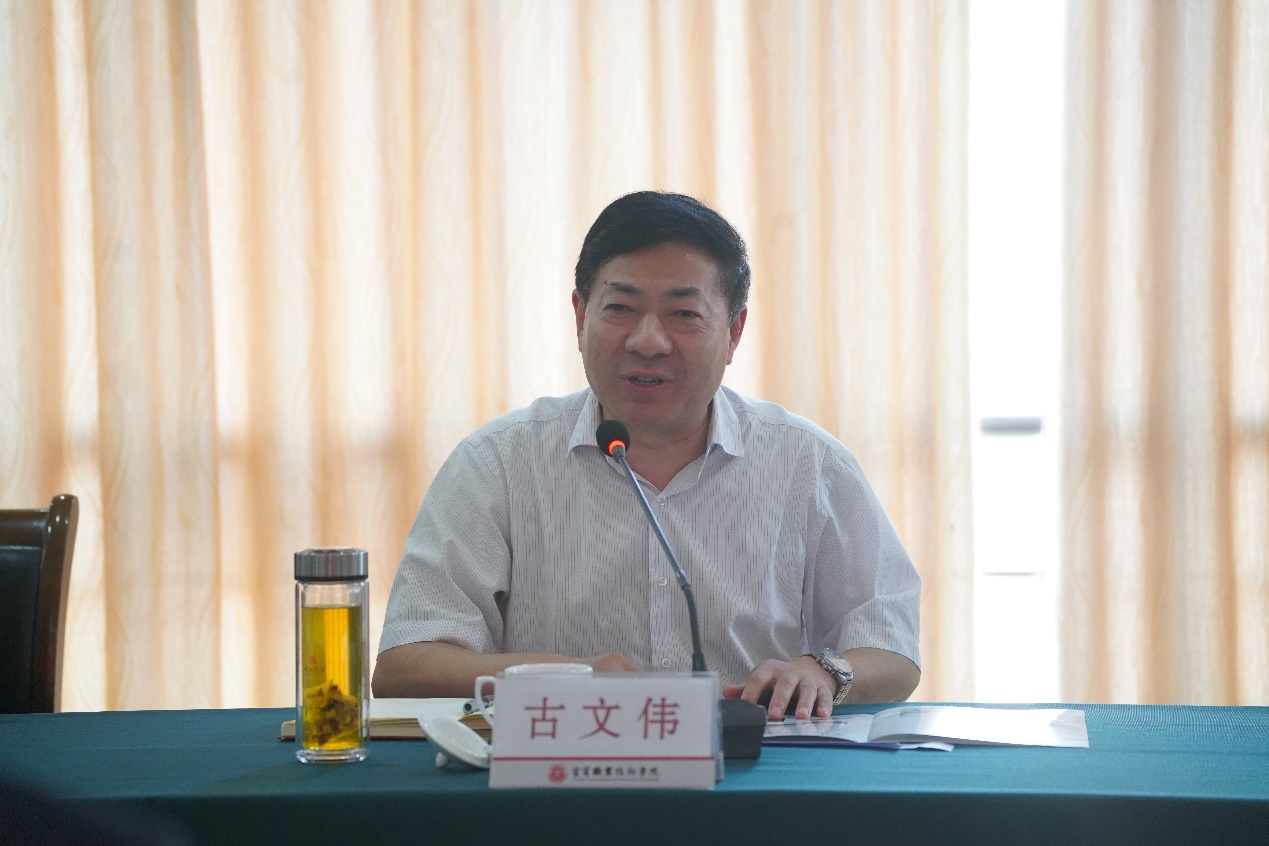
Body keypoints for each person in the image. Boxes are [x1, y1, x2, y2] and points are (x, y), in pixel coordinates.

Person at [374, 191, 921, 720]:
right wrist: (570, 678)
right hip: (562, 771)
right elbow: (406, 666)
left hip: (755, 771)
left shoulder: (808, 464)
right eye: (621, 308)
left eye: (683, 313)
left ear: (734, 332)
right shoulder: (496, 464)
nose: (648, 341)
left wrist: (825, 672)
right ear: (580, 317)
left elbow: (890, 645)